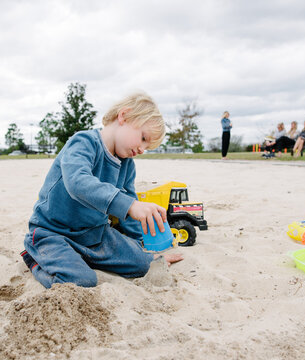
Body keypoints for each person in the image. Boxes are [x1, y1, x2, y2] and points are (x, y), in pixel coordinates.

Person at [20, 92, 184, 288]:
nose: (142, 149)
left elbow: (129, 213)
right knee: (81, 281)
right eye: (143, 138)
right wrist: (130, 205)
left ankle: (81, 258)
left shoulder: (127, 165)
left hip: (95, 236)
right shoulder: (84, 142)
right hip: (53, 233)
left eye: (147, 147)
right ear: (124, 116)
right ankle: (34, 259)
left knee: (144, 265)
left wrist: (142, 247)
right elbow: (77, 182)